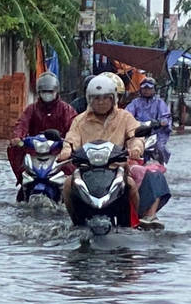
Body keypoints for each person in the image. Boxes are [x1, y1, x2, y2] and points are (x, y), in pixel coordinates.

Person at [60, 74, 166, 227]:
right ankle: (75, 223)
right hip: (86, 170)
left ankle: (134, 223)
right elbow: (71, 139)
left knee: (129, 184)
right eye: (96, 98)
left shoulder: (125, 117)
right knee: (68, 185)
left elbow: (135, 135)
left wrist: (136, 147)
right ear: (89, 99)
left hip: (116, 169)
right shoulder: (79, 120)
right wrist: (66, 151)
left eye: (105, 97)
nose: (101, 102)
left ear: (113, 99)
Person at [8, 73, 78, 181]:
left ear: (56, 91)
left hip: (59, 151)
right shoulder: (32, 109)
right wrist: (18, 138)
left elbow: (74, 128)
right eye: (44, 92)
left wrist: (68, 143)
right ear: (39, 93)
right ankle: (22, 182)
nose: (47, 95)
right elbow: (22, 124)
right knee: (15, 148)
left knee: (71, 175)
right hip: (34, 150)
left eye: (50, 92)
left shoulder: (66, 110)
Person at [125, 77, 172, 162]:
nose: (146, 91)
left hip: (155, 133)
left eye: (149, 88)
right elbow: (127, 114)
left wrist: (160, 123)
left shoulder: (159, 103)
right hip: (138, 132)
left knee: (160, 147)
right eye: (144, 88)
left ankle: (161, 164)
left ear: (154, 89)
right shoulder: (135, 102)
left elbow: (166, 117)